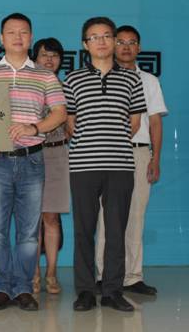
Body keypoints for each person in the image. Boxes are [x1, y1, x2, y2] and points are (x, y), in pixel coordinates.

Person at [0, 13, 67, 311]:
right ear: (1, 39)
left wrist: (34, 127)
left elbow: (59, 113)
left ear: (31, 37)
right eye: (11, 32)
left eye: (24, 32)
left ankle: (24, 287)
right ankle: (2, 287)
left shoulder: (45, 75)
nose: (18, 37)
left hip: (32, 161)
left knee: (29, 233)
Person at [63, 17, 146, 312]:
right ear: (85, 44)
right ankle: (85, 291)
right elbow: (70, 124)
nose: (101, 41)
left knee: (116, 230)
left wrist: (111, 139)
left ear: (113, 40)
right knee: (84, 230)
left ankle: (112, 291)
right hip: (83, 166)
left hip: (120, 165)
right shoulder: (72, 79)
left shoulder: (132, 79)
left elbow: (134, 123)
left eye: (107, 36)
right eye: (94, 37)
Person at [95, 25, 167, 296]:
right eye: (121, 42)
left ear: (139, 48)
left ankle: (133, 276)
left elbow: (155, 122)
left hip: (139, 152)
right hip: (107, 152)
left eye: (131, 42)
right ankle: (103, 275)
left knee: (136, 214)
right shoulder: (102, 77)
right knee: (106, 216)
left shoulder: (149, 80)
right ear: (112, 45)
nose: (126, 47)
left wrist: (155, 158)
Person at [31, 38, 70, 295]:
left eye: (54, 56)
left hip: (57, 155)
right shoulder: (26, 86)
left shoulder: (67, 88)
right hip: (31, 154)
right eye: (44, 55)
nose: (49, 60)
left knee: (51, 217)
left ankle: (52, 274)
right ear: (34, 58)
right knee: (32, 219)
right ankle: (33, 273)